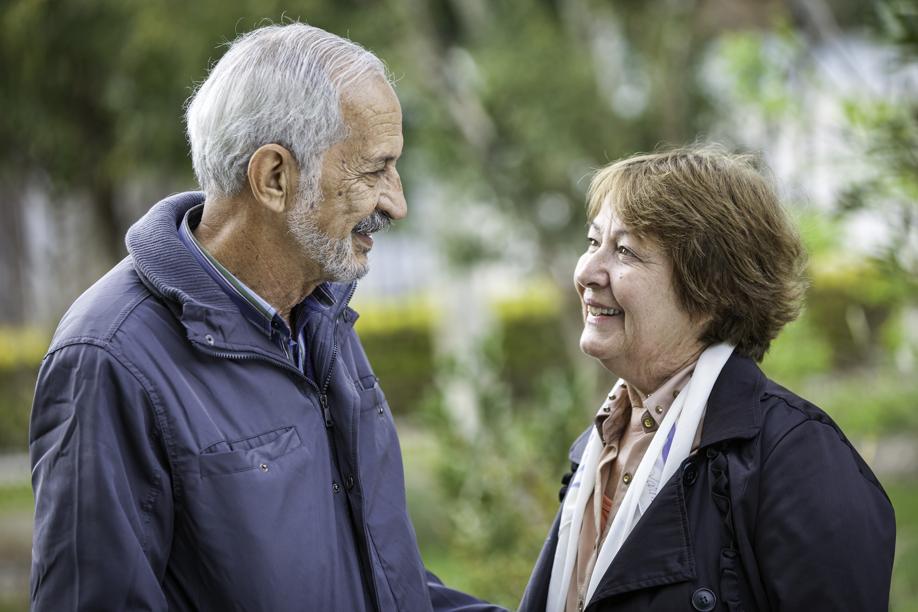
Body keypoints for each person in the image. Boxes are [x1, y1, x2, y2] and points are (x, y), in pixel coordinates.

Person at [29, 23, 504, 612]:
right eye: (374, 170)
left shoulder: (318, 316)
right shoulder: (108, 360)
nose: (397, 203)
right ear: (274, 177)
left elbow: (381, 578)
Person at [519, 146, 896, 612]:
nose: (587, 272)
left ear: (710, 289)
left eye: (624, 251)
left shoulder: (796, 458)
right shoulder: (598, 447)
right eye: (594, 242)